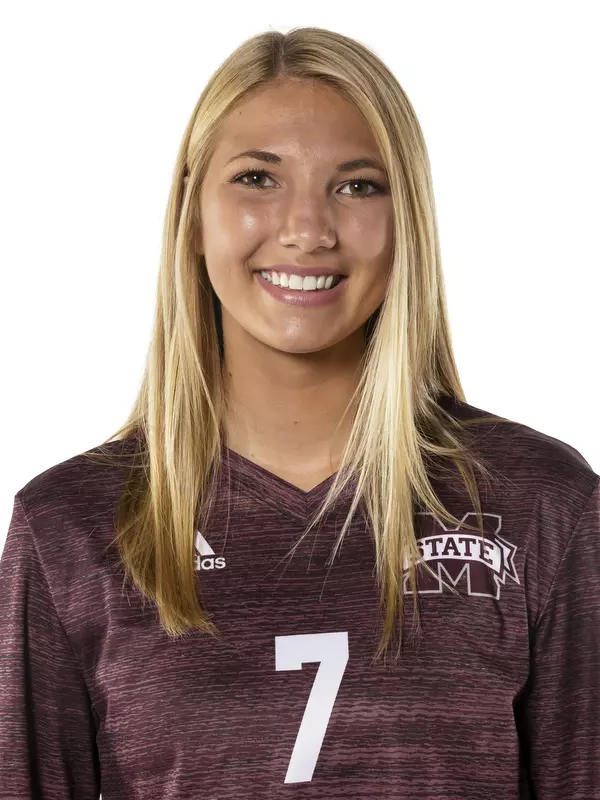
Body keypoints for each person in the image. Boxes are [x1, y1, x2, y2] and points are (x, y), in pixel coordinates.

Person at [0, 25, 598, 800]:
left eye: (357, 185)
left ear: (406, 218)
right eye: (257, 178)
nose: (308, 230)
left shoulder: (539, 502)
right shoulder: (72, 526)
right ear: (191, 212)